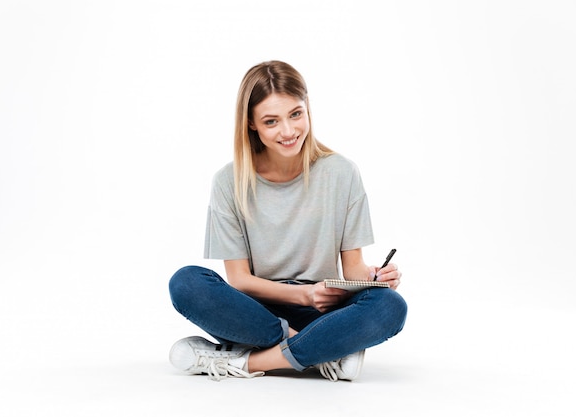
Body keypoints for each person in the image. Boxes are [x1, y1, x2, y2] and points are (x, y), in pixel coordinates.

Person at [168, 60, 407, 382]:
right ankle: (320, 352)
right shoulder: (229, 181)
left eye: (296, 114)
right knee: (186, 282)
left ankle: (247, 362)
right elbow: (238, 280)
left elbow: (352, 269)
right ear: (251, 124)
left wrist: (374, 278)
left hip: (323, 310)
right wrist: (302, 295)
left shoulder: (342, 172)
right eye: (271, 121)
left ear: (307, 107)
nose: (288, 131)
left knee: (389, 305)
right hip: (256, 310)